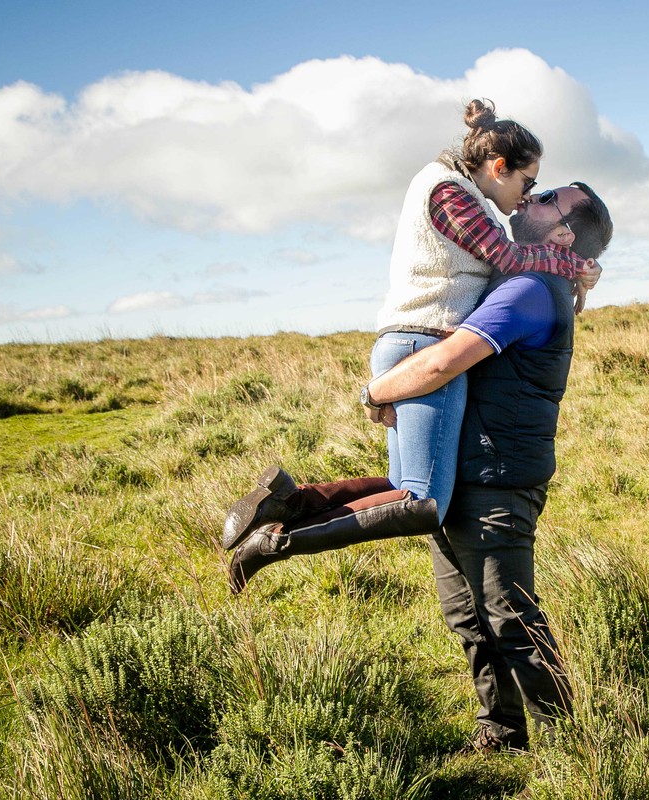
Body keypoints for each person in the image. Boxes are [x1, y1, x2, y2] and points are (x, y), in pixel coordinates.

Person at [230, 184, 613, 754]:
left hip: (497, 484)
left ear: (562, 233)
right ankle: (501, 731)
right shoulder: (521, 277)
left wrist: (376, 392)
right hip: (467, 474)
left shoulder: (531, 291)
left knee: (511, 620)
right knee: (467, 617)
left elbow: (439, 362)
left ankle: (576, 751)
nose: (532, 196)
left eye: (549, 198)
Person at [221, 99, 599, 559]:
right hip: (424, 341)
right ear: (499, 167)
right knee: (424, 503)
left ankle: (287, 500)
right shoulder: (448, 190)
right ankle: (275, 543)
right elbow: (507, 258)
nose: (526, 195)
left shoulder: (459, 189)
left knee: (406, 485)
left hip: (408, 339)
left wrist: (578, 272)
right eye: (528, 182)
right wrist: (574, 262)